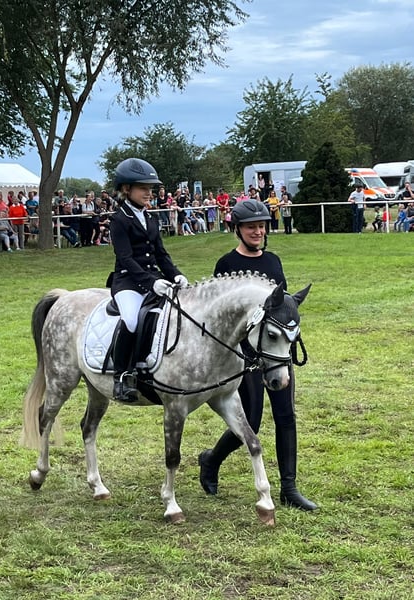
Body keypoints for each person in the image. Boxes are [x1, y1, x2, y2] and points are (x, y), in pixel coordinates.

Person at [198, 199, 317, 511]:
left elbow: (281, 307)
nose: (258, 231)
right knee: (250, 420)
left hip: (275, 353)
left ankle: (289, 488)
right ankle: (211, 460)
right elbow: (219, 315)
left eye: (262, 226)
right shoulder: (226, 265)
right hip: (245, 356)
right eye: (251, 227)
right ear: (237, 229)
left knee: (286, 416)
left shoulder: (273, 262)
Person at [107, 158, 188, 402]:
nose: (149, 193)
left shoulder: (151, 218)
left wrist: (176, 274)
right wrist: (151, 282)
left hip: (155, 279)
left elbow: (161, 254)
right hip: (127, 282)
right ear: (126, 189)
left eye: (150, 188)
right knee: (131, 320)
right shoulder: (119, 220)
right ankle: (121, 376)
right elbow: (126, 258)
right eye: (143, 188)